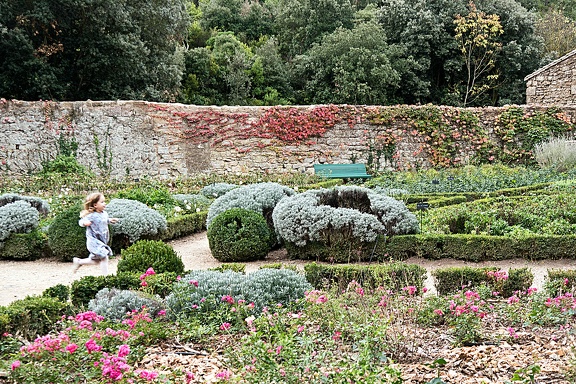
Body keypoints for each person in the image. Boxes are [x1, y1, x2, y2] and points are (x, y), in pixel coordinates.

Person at [73, 192, 119, 275]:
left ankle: (79, 262)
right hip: (94, 241)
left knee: (97, 261)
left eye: (104, 201)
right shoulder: (92, 215)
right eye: (102, 202)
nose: (105, 204)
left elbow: (103, 220)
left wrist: (110, 220)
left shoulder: (104, 213)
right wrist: (85, 223)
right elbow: (81, 221)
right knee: (105, 257)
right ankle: (106, 277)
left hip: (102, 241)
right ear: (95, 205)